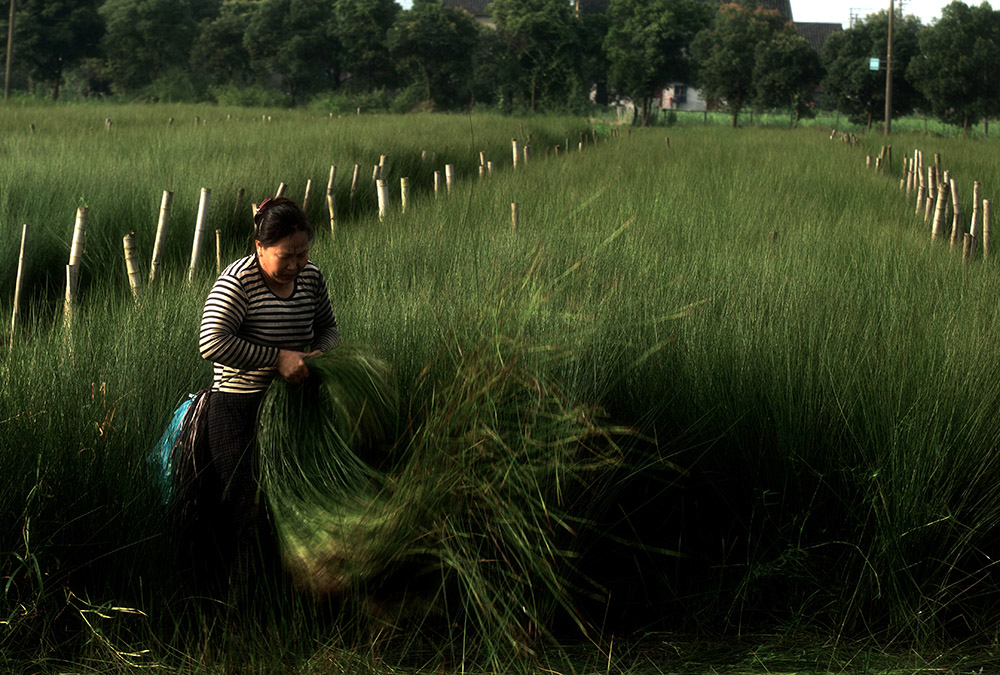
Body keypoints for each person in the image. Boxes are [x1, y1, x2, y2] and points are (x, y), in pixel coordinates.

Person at [195, 196, 339, 577]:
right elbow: (211, 341)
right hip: (238, 410)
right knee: (250, 513)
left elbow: (328, 327)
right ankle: (245, 616)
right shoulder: (237, 283)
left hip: (295, 405)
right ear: (259, 247)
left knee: (297, 505)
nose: (295, 265)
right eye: (285, 256)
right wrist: (278, 359)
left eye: (302, 254)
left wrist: (322, 354)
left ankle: (293, 601)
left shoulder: (311, 278)